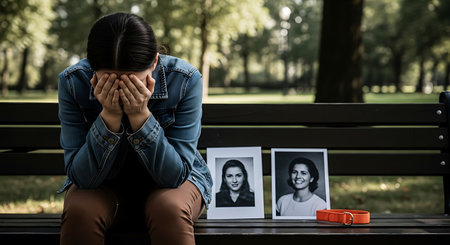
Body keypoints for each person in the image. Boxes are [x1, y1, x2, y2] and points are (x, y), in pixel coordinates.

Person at [57, 12, 212, 245]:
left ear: (154, 63)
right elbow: (82, 179)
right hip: (102, 187)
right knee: (81, 211)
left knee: (168, 208)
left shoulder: (185, 80)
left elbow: (175, 177)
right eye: (111, 81)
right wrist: (109, 117)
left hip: (173, 187)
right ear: (92, 68)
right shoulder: (73, 82)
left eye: (133, 83)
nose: (122, 92)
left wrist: (140, 115)